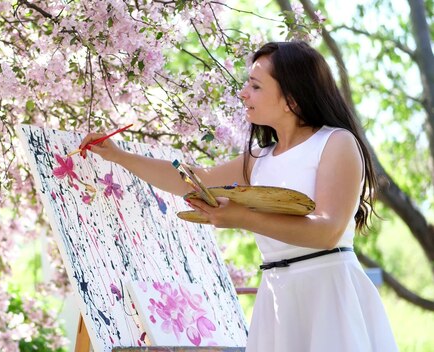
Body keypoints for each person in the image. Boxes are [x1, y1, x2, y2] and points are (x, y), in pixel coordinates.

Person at [79, 41, 397, 351]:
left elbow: (327, 230)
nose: (243, 93)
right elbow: (195, 179)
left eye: (256, 86)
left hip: (329, 294)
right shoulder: (259, 158)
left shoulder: (336, 142)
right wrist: (118, 156)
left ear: (292, 99)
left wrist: (242, 217)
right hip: (277, 297)